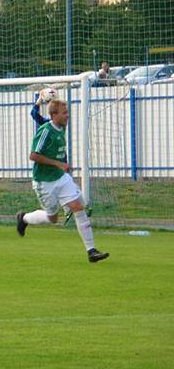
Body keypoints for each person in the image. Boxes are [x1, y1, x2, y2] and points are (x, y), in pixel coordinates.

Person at [16, 100, 109, 263]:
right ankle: (23, 218)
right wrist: (58, 163)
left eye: (67, 112)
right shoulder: (45, 131)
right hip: (44, 182)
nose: (68, 115)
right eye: (64, 113)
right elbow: (33, 155)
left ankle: (91, 251)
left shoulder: (62, 127)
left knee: (78, 207)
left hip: (61, 178)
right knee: (52, 218)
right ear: (53, 115)